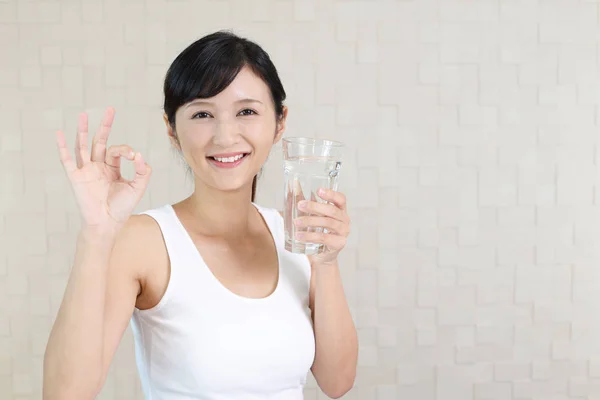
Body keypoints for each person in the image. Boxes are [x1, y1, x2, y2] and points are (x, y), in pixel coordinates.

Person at [42, 31, 358, 399]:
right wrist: (96, 234)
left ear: (280, 122)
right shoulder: (146, 242)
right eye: (203, 114)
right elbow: (65, 394)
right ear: (172, 130)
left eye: (247, 111)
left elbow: (338, 382)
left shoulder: (294, 235)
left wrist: (326, 262)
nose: (225, 137)